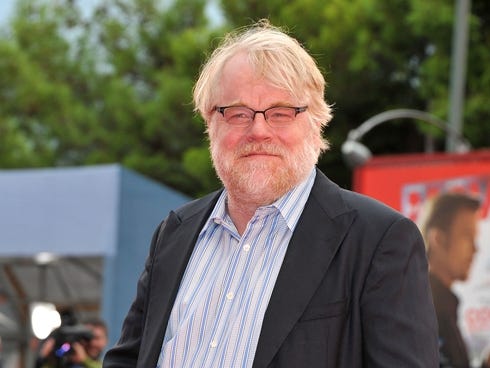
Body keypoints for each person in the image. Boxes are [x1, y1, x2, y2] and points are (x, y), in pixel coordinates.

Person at [103, 20, 439, 367]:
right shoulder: (175, 232)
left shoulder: (378, 241)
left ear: (316, 122)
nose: (258, 130)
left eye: (281, 113)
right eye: (237, 113)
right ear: (210, 123)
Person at [423, 192, 489, 368]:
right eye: (467, 236)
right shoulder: (424, 306)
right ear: (437, 239)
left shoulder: (442, 304)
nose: (475, 249)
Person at [36, 317, 108, 368]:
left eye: (96, 338)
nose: (92, 343)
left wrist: (85, 360)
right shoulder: (61, 361)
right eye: (86, 338)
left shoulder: (109, 364)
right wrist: (43, 358)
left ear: (106, 341)